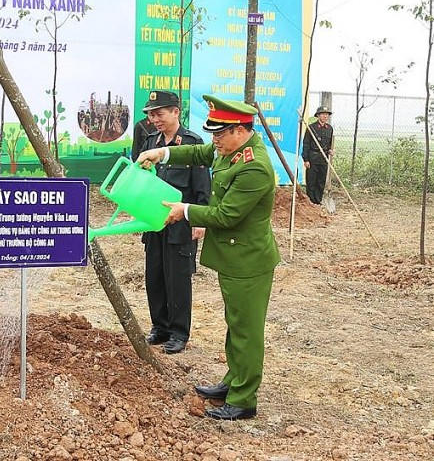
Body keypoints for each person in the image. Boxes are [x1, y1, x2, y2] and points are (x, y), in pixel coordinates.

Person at [137, 94, 280, 421]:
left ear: (240, 131)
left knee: (247, 331)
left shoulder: (254, 167)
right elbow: (198, 152)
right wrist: (162, 152)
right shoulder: (230, 149)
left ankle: (243, 399)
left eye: (220, 134)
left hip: (248, 261)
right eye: (213, 134)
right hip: (235, 259)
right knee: (236, 325)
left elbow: (226, 215)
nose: (214, 141)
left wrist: (184, 210)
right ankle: (233, 381)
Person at [139, 91, 210, 354]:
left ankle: (179, 332)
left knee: (177, 278)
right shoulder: (150, 142)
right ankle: (160, 326)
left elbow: (202, 184)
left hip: (181, 221)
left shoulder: (191, 143)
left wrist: (200, 219)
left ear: (176, 112)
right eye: (151, 115)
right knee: (155, 275)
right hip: (153, 219)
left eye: (159, 114)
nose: (154, 119)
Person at [302, 106, 334, 205]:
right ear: (318, 115)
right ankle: (311, 202)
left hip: (324, 158)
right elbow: (306, 144)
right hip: (313, 157)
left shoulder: (329, 128)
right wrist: (306, 159)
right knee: (311, 180)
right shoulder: (311, 128)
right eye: (323, 114)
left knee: (321, 180)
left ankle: (318, 200)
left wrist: (330, 150)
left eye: (327, 114)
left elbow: (329, 144)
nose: (325, 116)